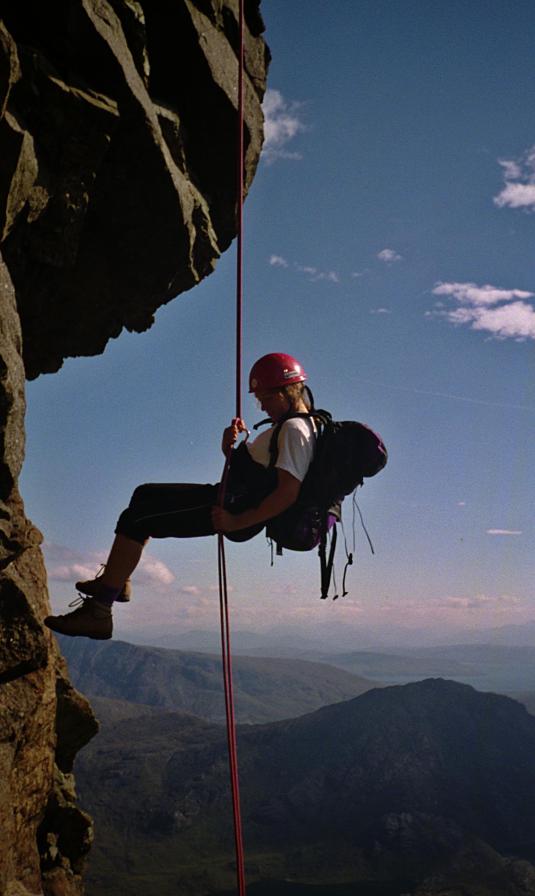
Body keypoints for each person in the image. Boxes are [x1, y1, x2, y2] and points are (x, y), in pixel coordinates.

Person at [45, 353, 317, 640]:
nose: (261, 406)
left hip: (231, 509)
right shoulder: (291, 426)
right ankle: (117, 579)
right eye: (258, 399)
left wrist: (236, 522)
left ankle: (99, 612)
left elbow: (287, 493)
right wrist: (229, 447)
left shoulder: (295, 430)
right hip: (230, 499)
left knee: (137, 519)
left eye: (266, 398)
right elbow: (258, 472)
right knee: (144, 493)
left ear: (287, 391)